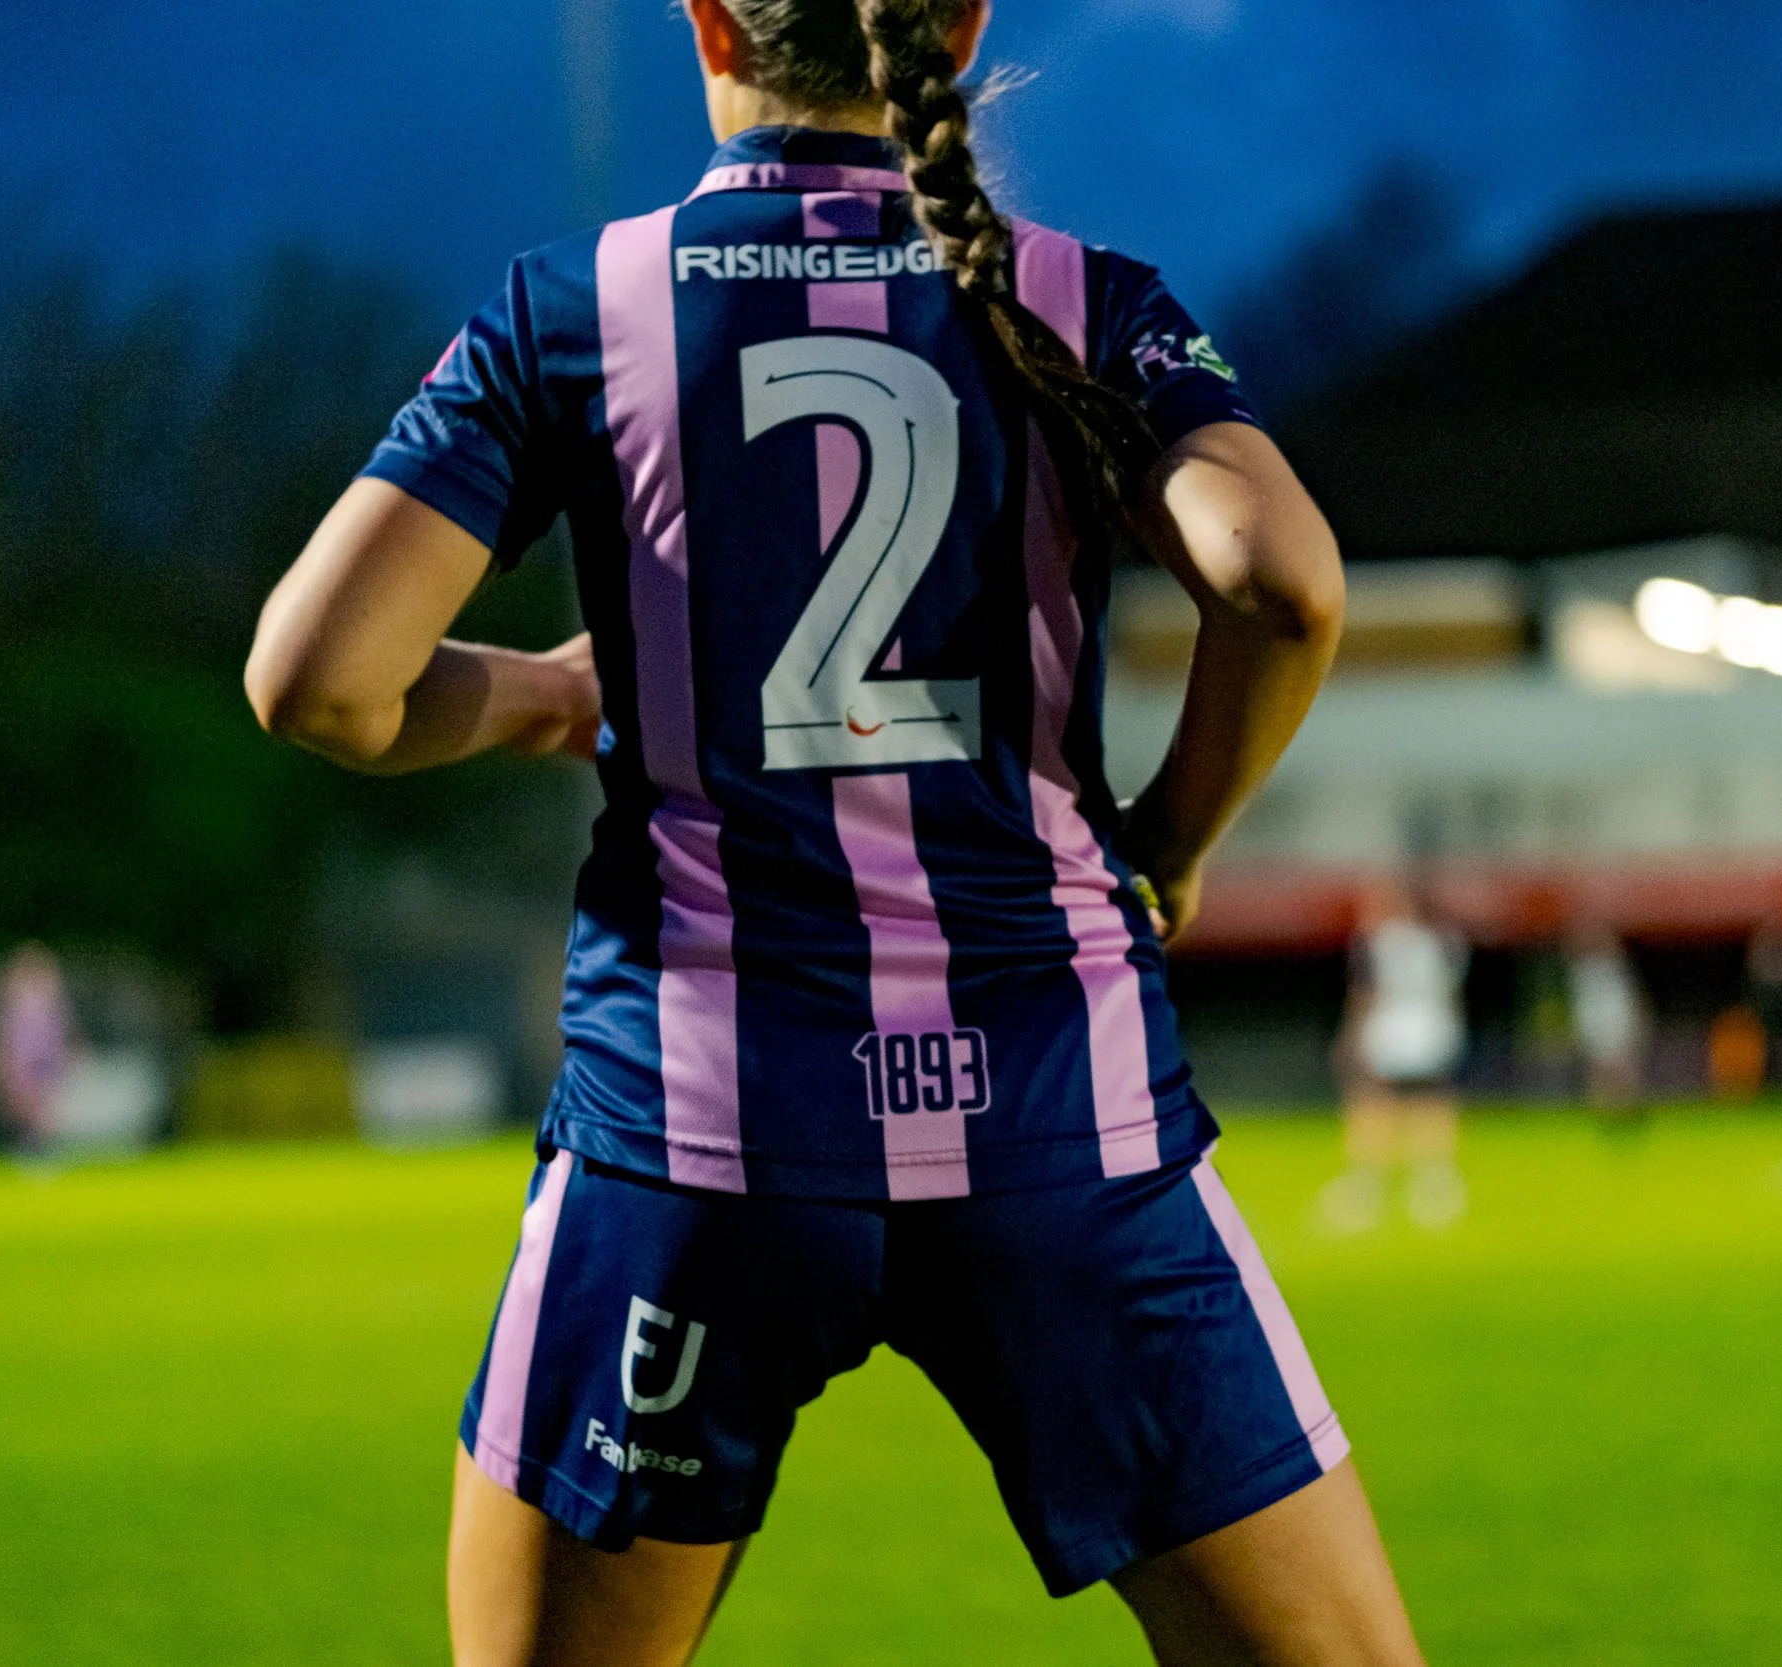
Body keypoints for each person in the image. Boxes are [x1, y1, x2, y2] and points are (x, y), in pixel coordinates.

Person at [243, 3, 1423, 1662]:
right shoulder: (1077, 298)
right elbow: (1282, 582)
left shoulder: (580, 305)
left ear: (709, 19)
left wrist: (541, 693)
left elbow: (319, 682)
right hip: (1058, 1119)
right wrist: (1173, 831)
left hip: (701, 1136)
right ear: (966, 25)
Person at [1318, 877, 1467, 1234]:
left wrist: (1349, 1037)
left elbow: (1366, 993)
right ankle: (1435, 1186)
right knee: (1431, 1105)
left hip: (1388, 1029)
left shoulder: (1377, 942)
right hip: (1434, 1029)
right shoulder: (1444, 939)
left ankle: (1366, 1186)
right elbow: (1453, 992)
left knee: (1371, 1106)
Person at [0, 942, 73, 1151]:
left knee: (41, 1111)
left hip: (43, 1063)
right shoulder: (15, 1007)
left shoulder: (52, 1005)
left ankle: (35, 1147)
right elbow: (3, 1040)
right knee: (26, 1110)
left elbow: (61, 1037)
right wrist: (1, 1065)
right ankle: (27, 1146)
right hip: (24, 1064)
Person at [1565, 921, 1647, 1112]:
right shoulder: (1582, 971)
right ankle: (1604, 1108)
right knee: (1600, 1066)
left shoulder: (1614, 968)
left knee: (1621, 1064)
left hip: (1614, 1015)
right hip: (1594, 1017)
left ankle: (1626, 1108)